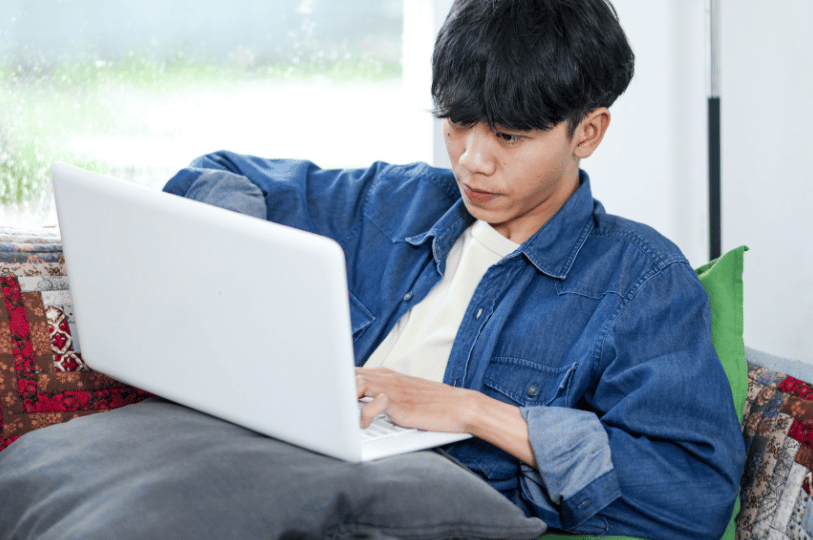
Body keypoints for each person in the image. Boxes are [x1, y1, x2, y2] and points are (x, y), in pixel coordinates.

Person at [158, 0, 745, 536]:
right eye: (459, 121)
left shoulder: (639, 281)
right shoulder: (393, 201)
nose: (471, 159)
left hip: (407, 511)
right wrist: (248, 277)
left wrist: (469, 411)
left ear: (586, 132)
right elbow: (213, 175)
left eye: (508, 135)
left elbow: (693, 493)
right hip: (269, 456)